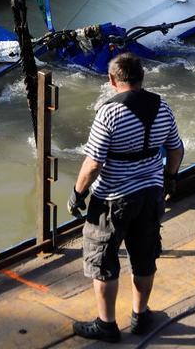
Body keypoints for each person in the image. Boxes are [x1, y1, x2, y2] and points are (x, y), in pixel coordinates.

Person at [68, 52, 185, 342]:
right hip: (151, 194)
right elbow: (176, 149)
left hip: (112, 199)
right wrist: (169, 178)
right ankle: (140, 315)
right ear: (142, 77)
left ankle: (106, 325)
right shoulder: (162, 106)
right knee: (144, 256)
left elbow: (93, 163)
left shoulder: (108, 112)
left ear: (112, 79)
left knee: (104, 260)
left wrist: (77, 194)